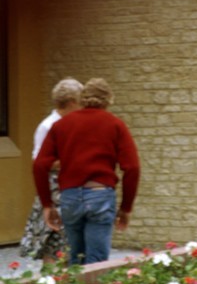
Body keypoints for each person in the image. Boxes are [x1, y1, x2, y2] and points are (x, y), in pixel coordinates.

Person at [33, 78, 140, 265]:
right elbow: (132, 167)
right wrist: (126, 207)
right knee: (96, 262)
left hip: (70, 196)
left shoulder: (61, 125)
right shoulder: (115, 125)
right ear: (109, 100)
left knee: (76, 258)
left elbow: (39, 165)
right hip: (100, 195)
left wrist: (47, 204)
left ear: (82, 99)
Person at [20, 78, 83, 263]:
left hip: (70, 188)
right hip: (54, 190)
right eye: (81, 102)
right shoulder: (47, 126)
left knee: (69, 242)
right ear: (72, 102)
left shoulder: (73, 124)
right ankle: (51, 283)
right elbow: (39, 161)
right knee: (53, 239)